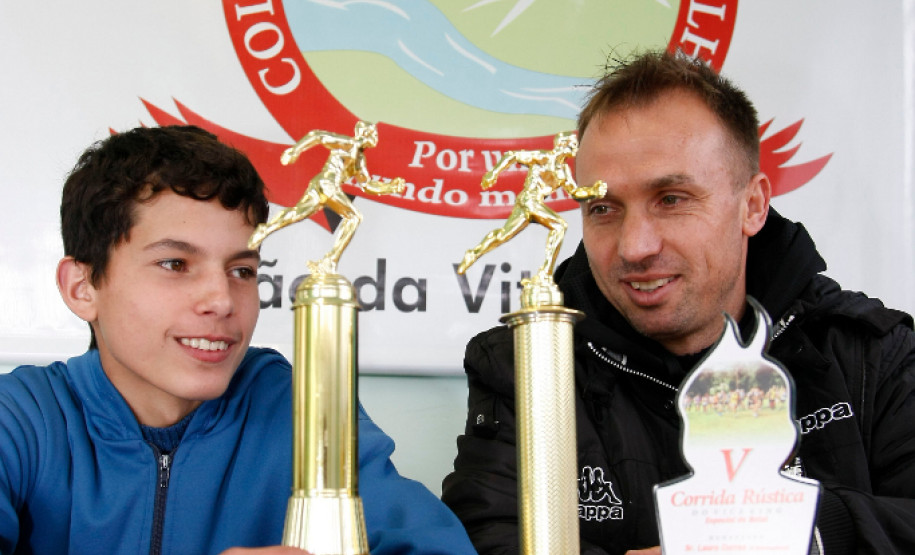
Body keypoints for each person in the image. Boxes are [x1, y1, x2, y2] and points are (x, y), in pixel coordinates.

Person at [441, 50, 915, 554]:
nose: (634, 247)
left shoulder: (871, 356)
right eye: (603, 208)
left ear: (752, 205)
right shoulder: (528, 364)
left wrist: (793, 532)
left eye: (671, 199)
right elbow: (485, 533)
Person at [0, 125, 476, 554]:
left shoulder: (297, 406)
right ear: (82, 289)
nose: (222, 299)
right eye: (175, 264)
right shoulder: (21, 419)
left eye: (242, 270)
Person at [248, 121, 405, 274]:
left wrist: (390, 187)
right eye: (374, 134)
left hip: (321, 185)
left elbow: (367, 185)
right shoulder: (347, 143)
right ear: (365, 133)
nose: (376, 138)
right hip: (327, 184)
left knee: (298, 213)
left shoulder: (359, 160)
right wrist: (295, 150)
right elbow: (317, 135)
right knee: (354, 218)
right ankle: (330, 261)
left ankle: (266, 229)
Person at [456, 131, 605, 282]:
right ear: (562, 144)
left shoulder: (563, 171)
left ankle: (473, 253)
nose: (575, 148)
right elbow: (512, 155)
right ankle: (545, 273)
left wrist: (593, 192)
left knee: (502, 235)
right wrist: (493, 174)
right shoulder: (543, 158)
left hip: (532, 203)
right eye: (572, 144)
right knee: (559, 226)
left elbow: (575, 193)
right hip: (528, 200)